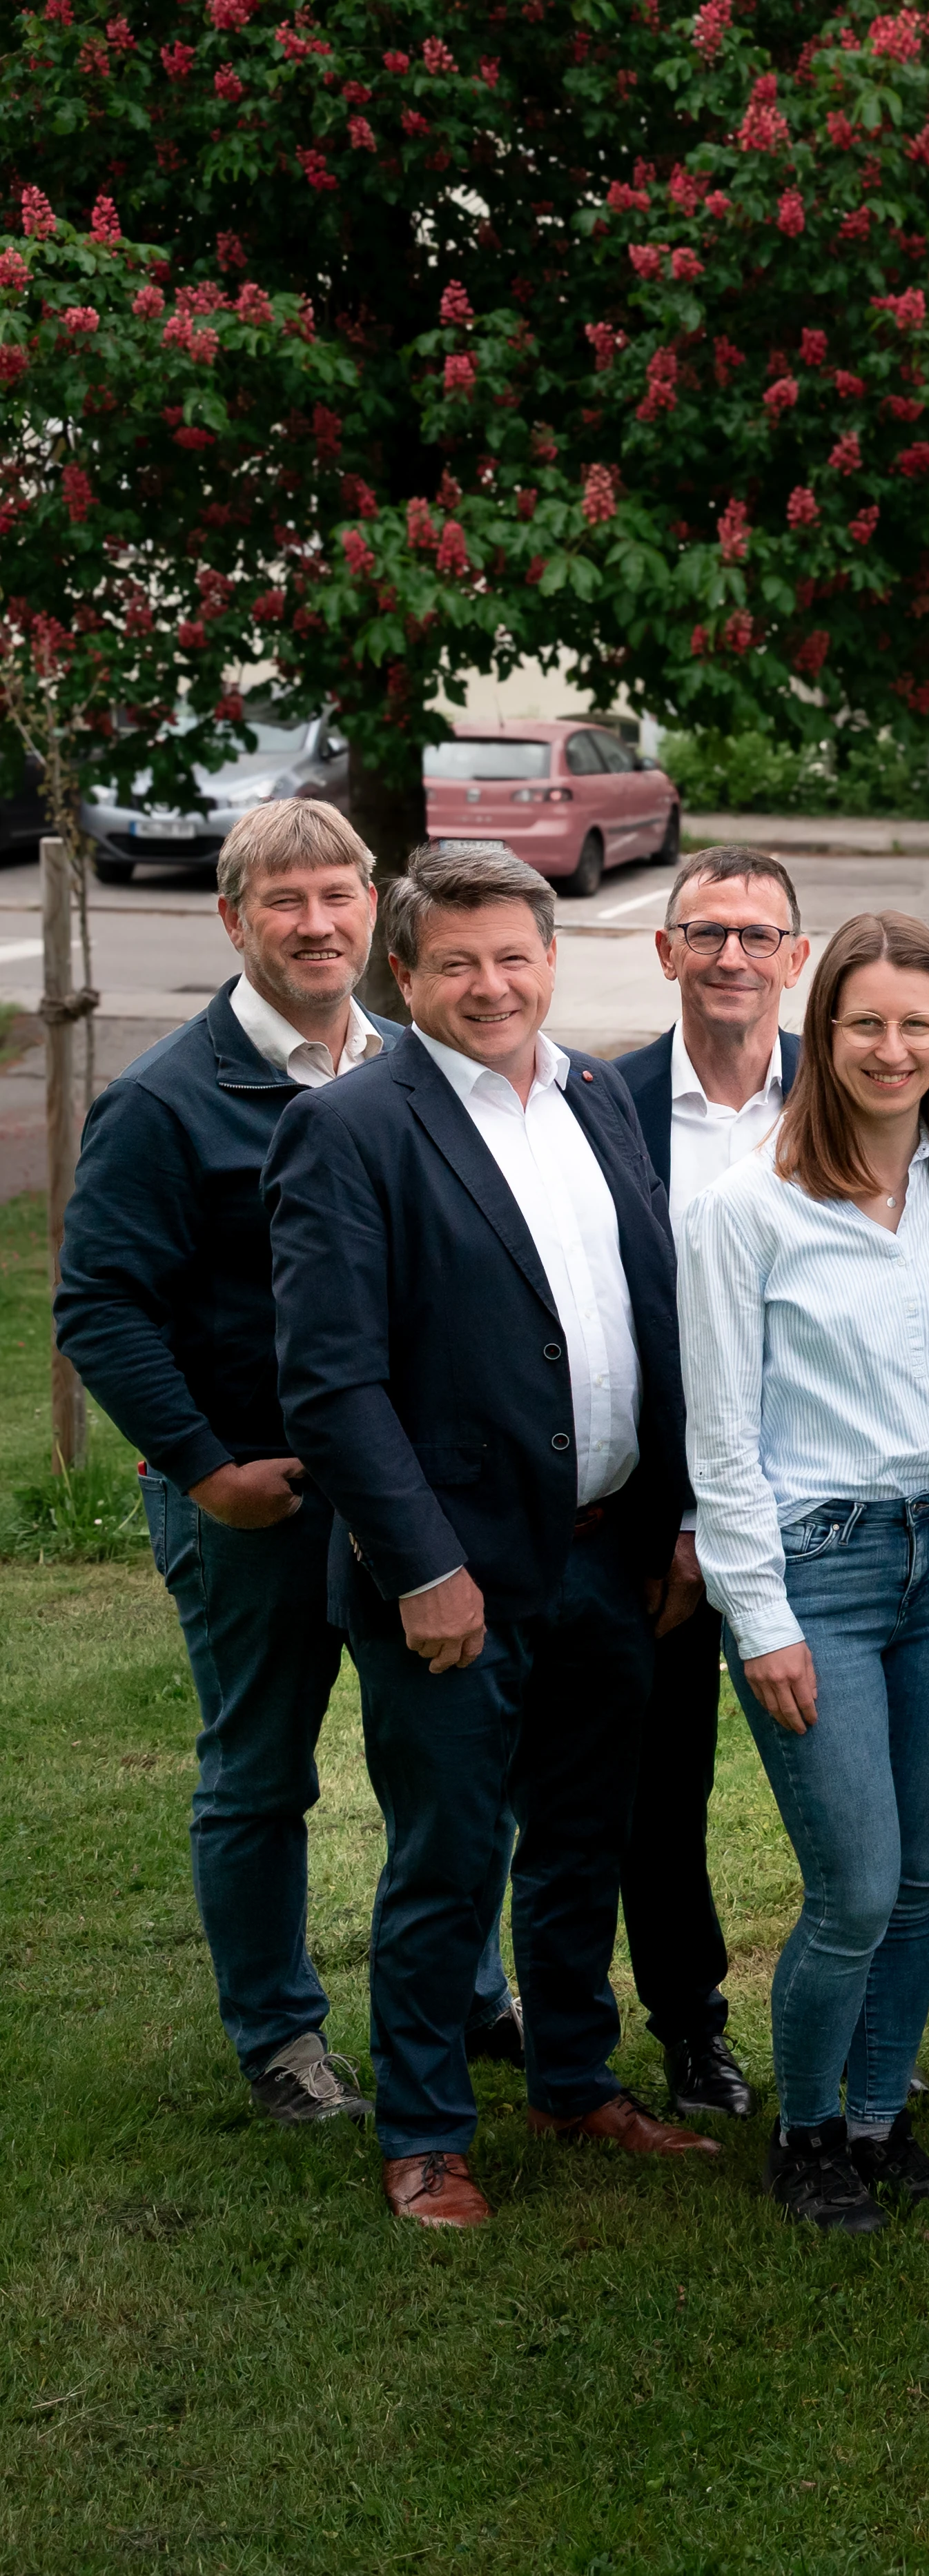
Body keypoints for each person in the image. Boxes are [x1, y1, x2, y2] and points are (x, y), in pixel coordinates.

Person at [263, 847, 721, 2228]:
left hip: (606, 1550)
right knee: (449, 1855)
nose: (491, 985)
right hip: (452, 1574)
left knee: (585, 1836)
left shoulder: (594, 1092)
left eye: (514, 956)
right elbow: (330, 1386)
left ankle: (574, 2078)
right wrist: (422, 1565)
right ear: (405, 974)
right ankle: (423, 2131)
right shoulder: (352, 1128)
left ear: (550, 960)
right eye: (456, 962)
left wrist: (677, 1518)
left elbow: (652, 1311)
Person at [680, 912, 929, 2234]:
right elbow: (719, 1433)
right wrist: (759, 1612)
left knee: (917, 1872)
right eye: (865, 1024)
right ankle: (807, 2128)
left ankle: (883, 2121)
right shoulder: (744, 1206)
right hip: (816, 1575)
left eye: (917, 1024)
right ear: (820, 1033)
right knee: (851, 1881)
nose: (892, 1049)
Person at [56, 798, 392, 2127]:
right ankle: (281, 2036)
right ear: (233, 918)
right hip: (258, 1500)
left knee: (441, 1754)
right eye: (286, 901)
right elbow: (99, 1309)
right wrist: (204, 1470)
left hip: (402, 1496)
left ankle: (464, 1986)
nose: (318, 924)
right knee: (261, 1772)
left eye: (339, 895)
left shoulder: (407, 1066)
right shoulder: (166, 1101)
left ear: (374, 902)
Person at [608, 845, 810, 2123]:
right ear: (665, 949)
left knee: (852, 1794)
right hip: (660, 1528)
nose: (730, 955)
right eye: (706, 932)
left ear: (796, 956)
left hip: (833, 1510)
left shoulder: (856, 1091)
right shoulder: (599, 1103)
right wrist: (677, 1523)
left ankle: (859, 2029)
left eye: (757, 934)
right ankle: (690, 2026)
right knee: (656, 1788)